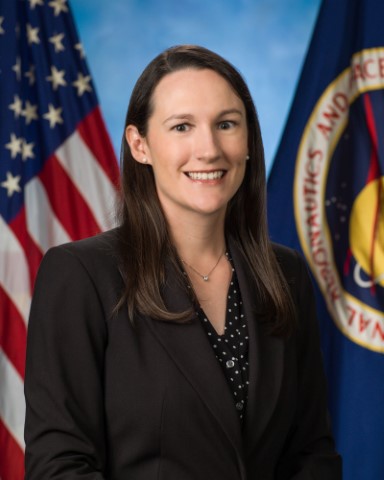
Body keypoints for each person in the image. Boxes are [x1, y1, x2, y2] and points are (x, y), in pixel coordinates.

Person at [24, 45, 342, 479]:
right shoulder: (80, 276)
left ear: (248, 140)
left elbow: (311, 453)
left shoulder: (285, 275)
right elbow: (59, 466)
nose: (209, 149)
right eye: (182, 127)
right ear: (140, 145)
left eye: (226, 124)